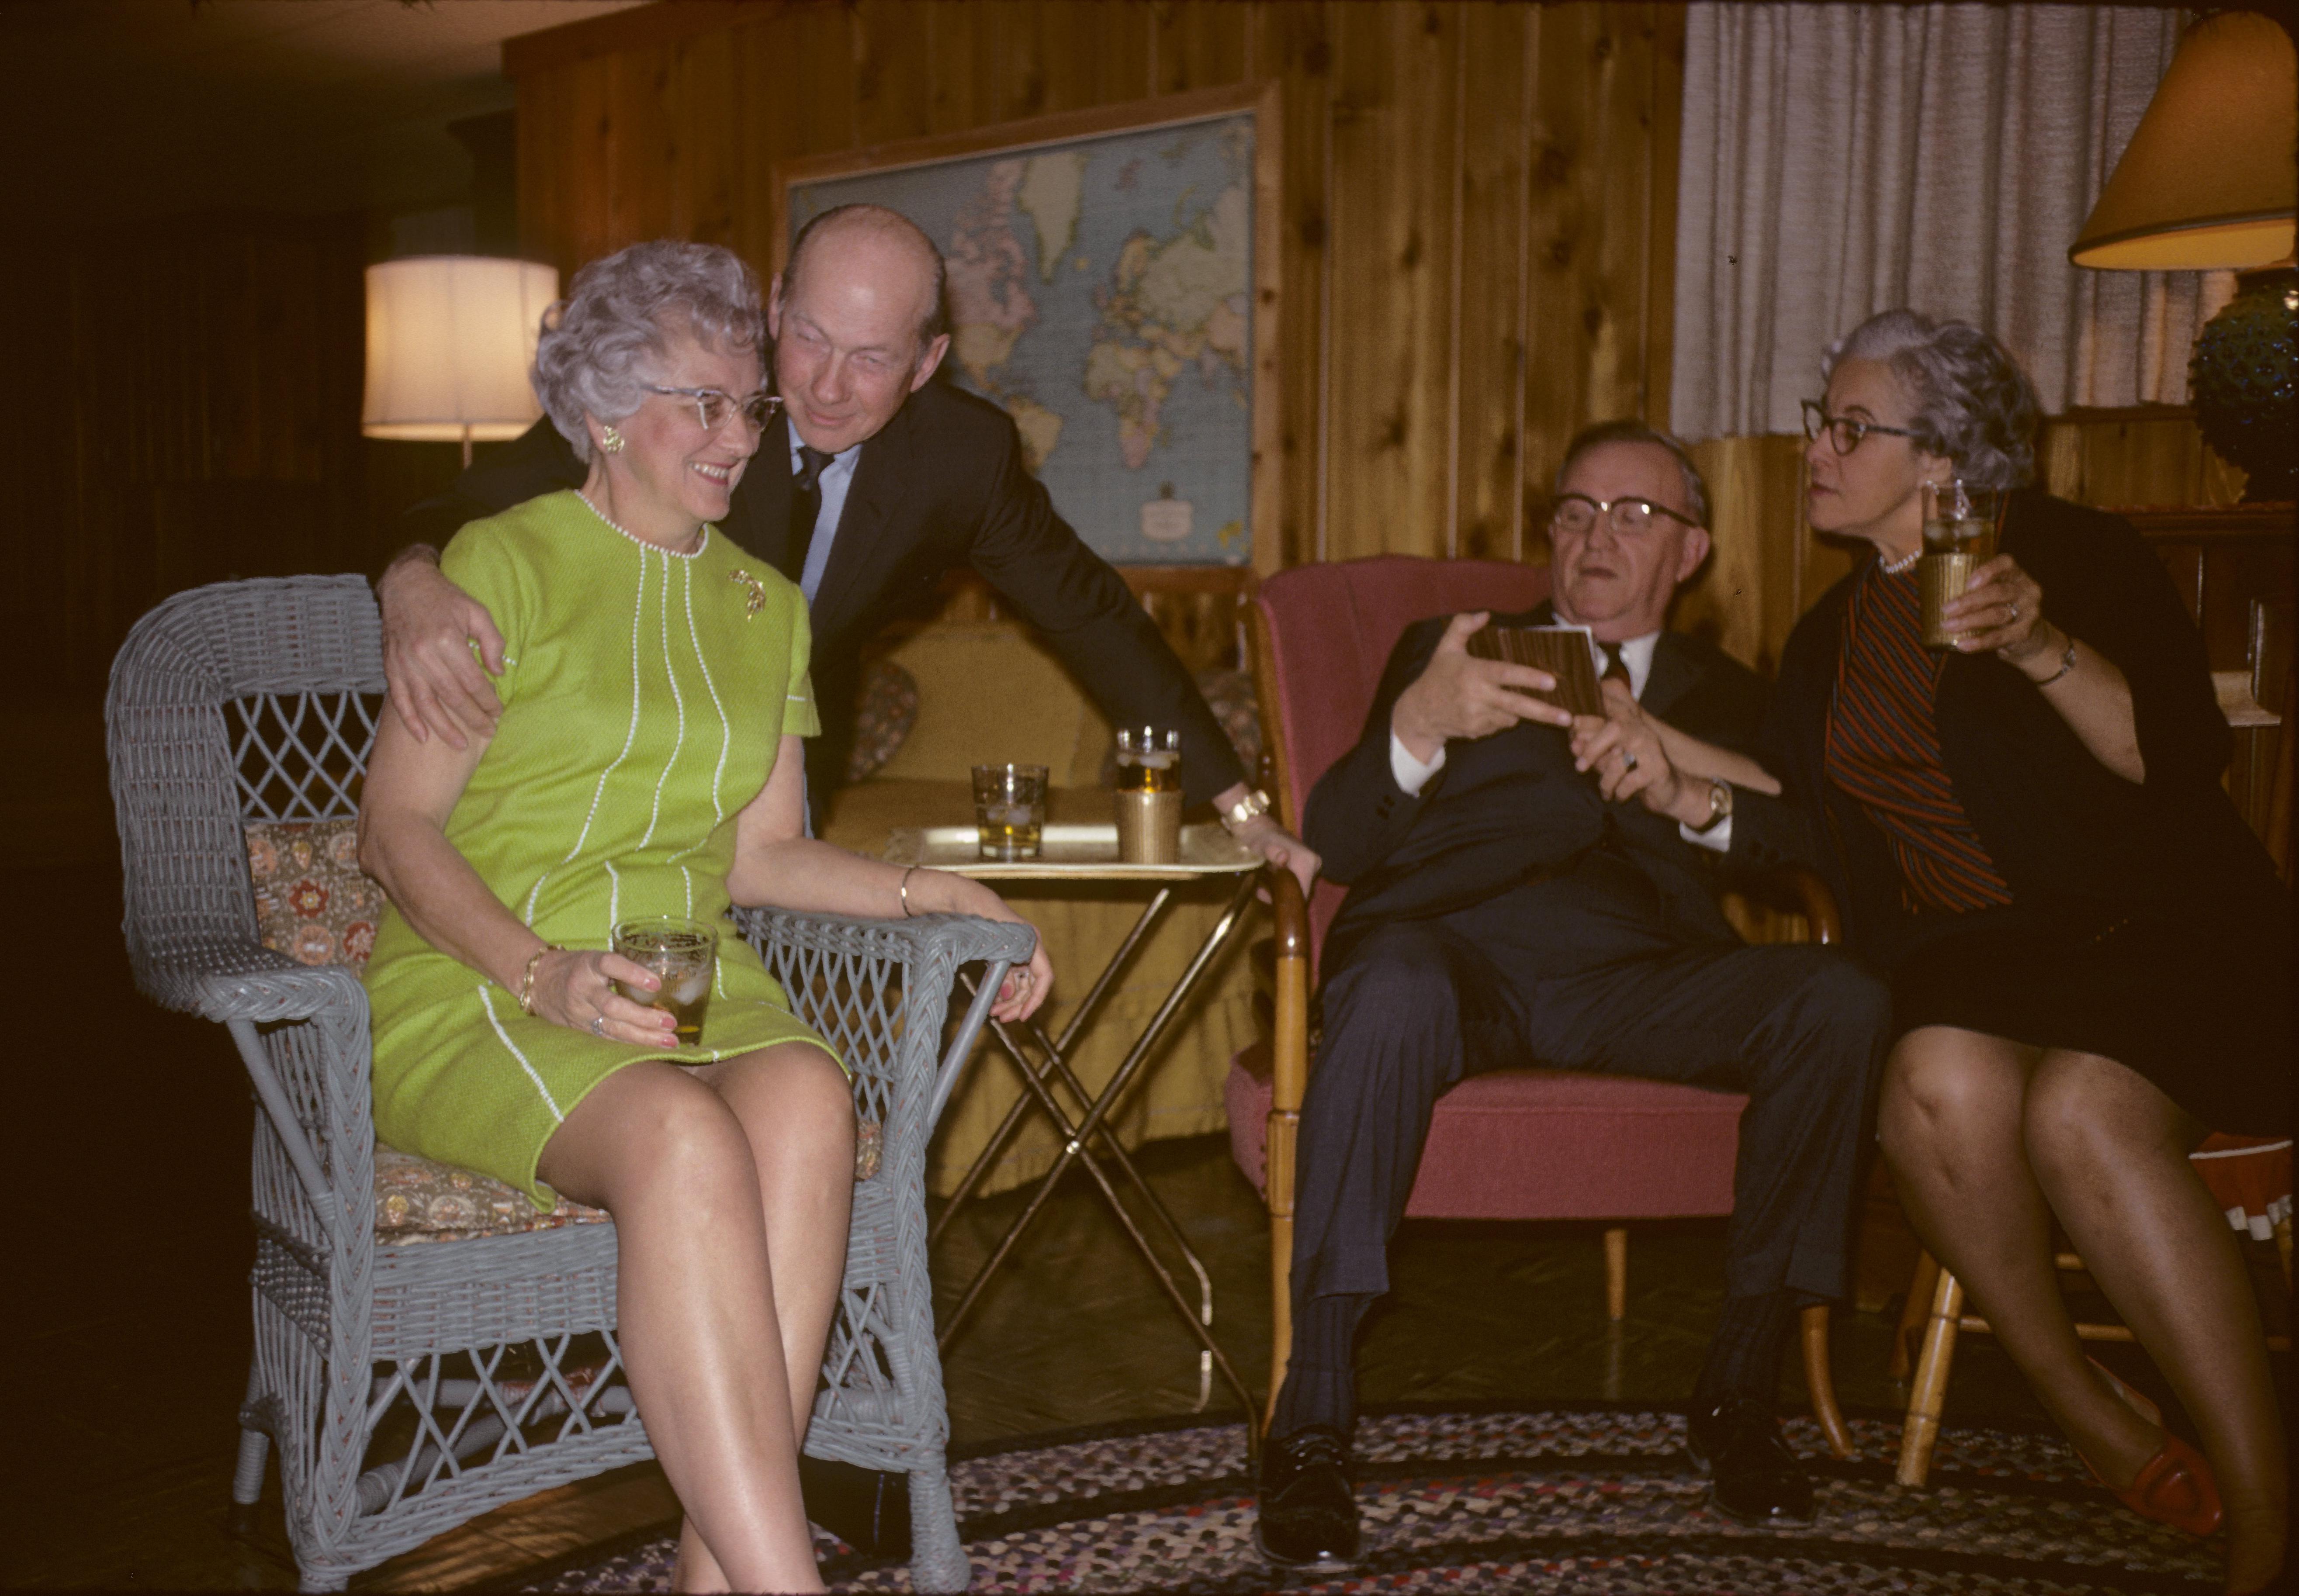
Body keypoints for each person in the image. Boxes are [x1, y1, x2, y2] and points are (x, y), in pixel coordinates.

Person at [356, 240, 1053, 1595]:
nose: (741, 436)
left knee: (806, 1094)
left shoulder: (763, 606)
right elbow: (395, 831)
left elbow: (765, 854)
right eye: (704, 404)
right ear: (606, 411)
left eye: (750, 404)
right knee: (680, 1137)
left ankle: (711, 1575)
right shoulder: (499, 565)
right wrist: (542, 972)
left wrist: (939, 893)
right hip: (486, 979)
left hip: (687, 974)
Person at [1607, 311, 2290, 1594]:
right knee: (1932, 1077)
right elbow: (1799, 805)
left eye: (1849, 427)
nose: (1816, 448)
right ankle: (2085, 1405)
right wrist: (1664, 761)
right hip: (1979, 959)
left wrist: (2036, 644)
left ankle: (2266, 1507)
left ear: (1942, 460)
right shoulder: (1829, 632)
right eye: (1819, 421)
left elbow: (2170, 753)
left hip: (2157, 929)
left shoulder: (2070, 554)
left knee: (2081, 1112)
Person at [1253, 421, 1893, 1569]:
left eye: (1634, 514)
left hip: (1637, 975)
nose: (1596, 536)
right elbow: (1336, 838)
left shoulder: (1727, 693)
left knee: (1835, 997)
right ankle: (1311, 1418)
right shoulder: (1454, 649)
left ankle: (1738, 1394)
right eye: (1574, 511)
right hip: (1450, 952)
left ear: (1689, 551)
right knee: (1388, 985)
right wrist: (1418, 723)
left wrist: (1687, 787)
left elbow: (1825, 848)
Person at [375, 204, 1317, 895]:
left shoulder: (961, 459)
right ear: (775, 305)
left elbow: (1093, 617)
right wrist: (411, 579)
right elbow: (465, 500)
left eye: (870, 359)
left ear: (927, 362)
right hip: (621, 769)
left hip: (781, 786)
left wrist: (1240, 807)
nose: (826, 388)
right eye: (810, 338)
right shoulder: (691, 400)